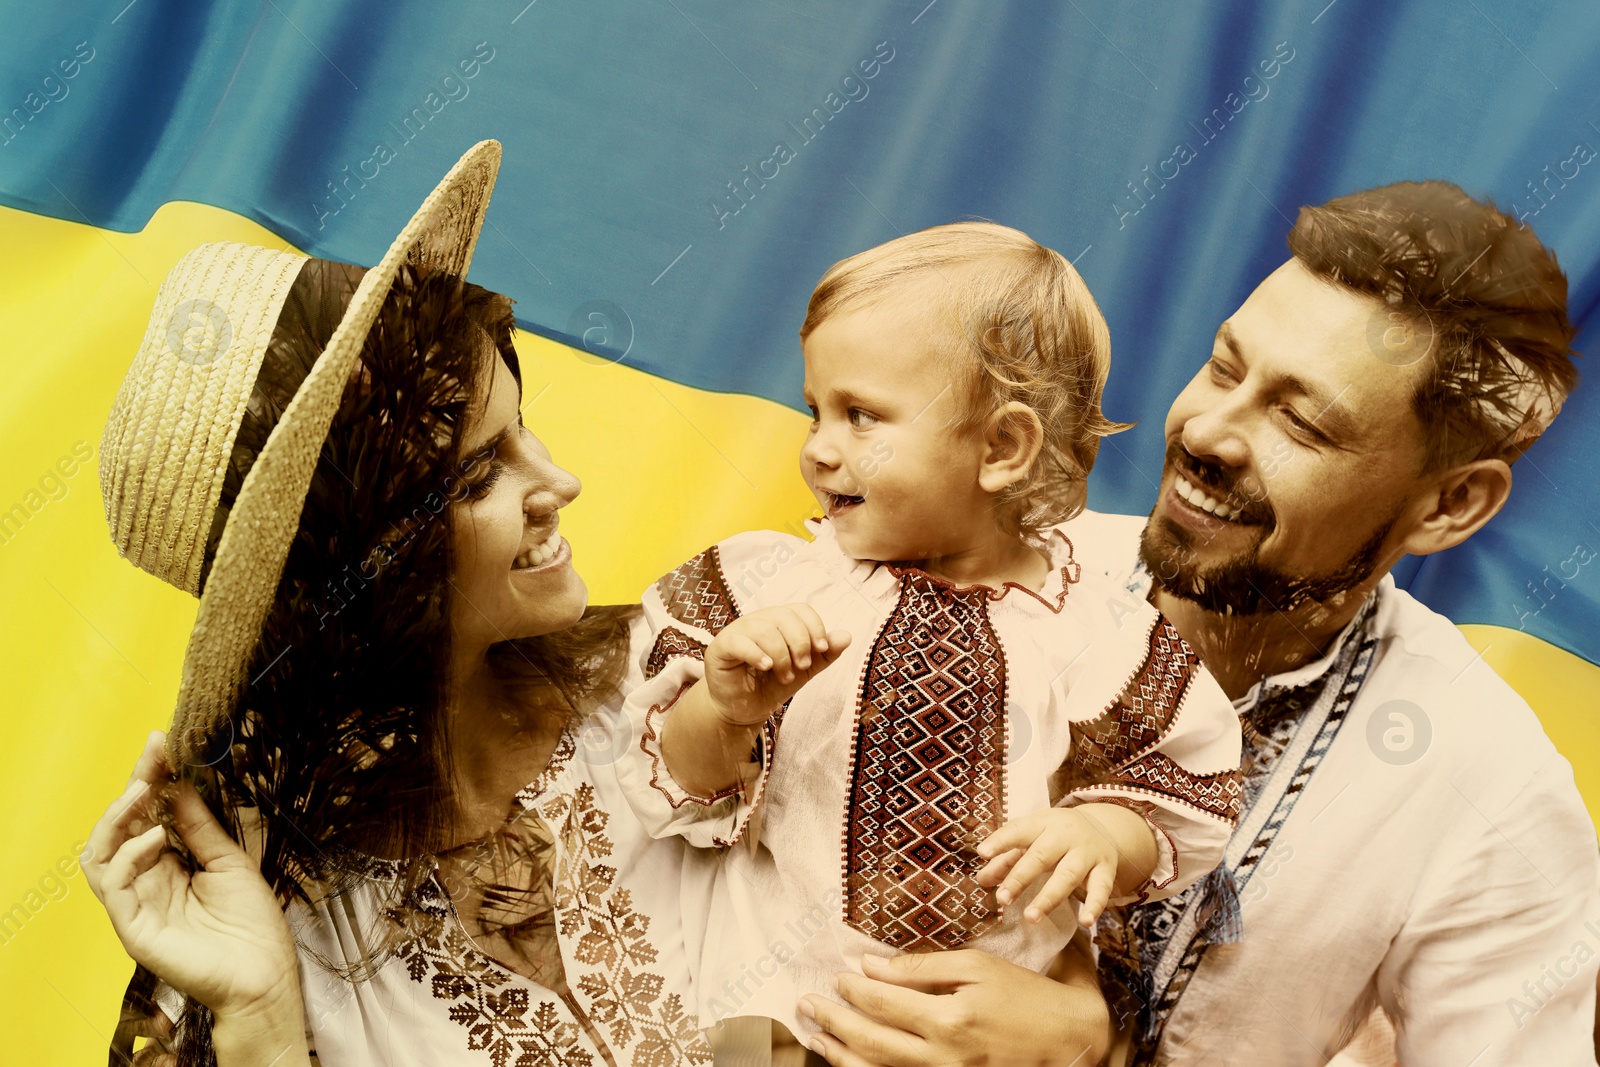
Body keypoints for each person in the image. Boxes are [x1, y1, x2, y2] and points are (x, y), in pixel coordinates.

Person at [801, 181, 1600, 1066]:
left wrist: (1093, 1054)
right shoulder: (937, 567)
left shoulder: (1490, 793)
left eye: (1302, 419)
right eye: (1225, 368)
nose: (1208, 430)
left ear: (1451, 503)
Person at [84, 141, 713, 1066]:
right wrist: (260, 1010)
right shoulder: (258, 929)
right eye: (476, 476)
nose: (561, 482)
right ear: (367, 569)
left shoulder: (694, 676)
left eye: (522, 426)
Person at [612, 222, 1244, 1040]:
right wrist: (722, 707)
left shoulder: (1100, 634)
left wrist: (1101, 831)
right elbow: (674, 776)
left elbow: (1174, 790)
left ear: (1002, 447)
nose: (818, 450)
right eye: (816, 412)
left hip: (976, 1029)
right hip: (768, 1005)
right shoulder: (773, 585)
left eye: (860, 415)